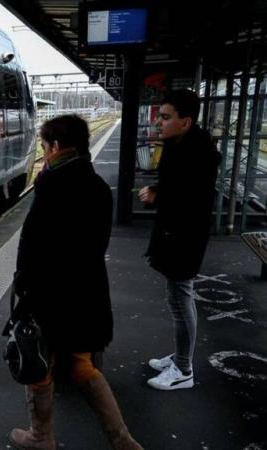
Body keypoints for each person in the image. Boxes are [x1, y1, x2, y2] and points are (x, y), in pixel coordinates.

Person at [10, 115, 141, 450]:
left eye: (44, 147)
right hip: (87, 291)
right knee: (82, 365)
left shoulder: (53, 184)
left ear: (55, 146)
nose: (44, 154)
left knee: (37, 364)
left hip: (50, 295)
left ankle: (42, 437)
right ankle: (122, 439)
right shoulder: (97, 185)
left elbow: (35, 247)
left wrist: (24, 292)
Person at [139, 89, 220, 390]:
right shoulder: (182, 144)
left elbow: (191, 196)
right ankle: (179, 357)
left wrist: (158, 193)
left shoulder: (198, 153)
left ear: (185, 121)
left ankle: (184, 369)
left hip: (185, 237)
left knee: (181, 297)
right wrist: (160, 191)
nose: (158, 122)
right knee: (177, 297)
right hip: (177, 234)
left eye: (165, 117)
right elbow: (179, 184)